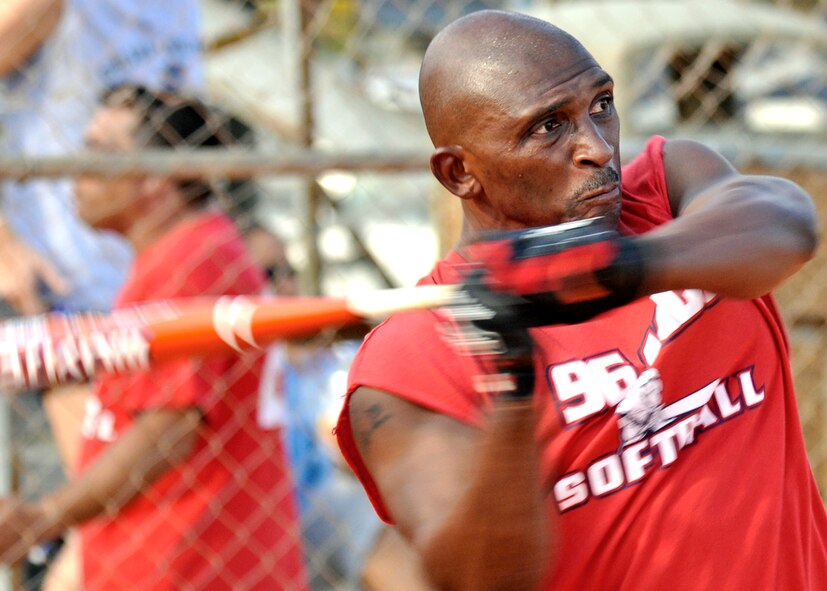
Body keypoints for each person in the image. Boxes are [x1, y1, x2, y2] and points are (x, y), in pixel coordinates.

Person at [334, 9, 827, 591]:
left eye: (601, 105)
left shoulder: (664, 191)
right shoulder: (406, 365)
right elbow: (479, 577)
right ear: (460, 173)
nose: (597, 147)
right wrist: (513, 383)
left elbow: (788, 226)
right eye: (548, 127)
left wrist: (616, 271)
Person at [0, 85, 309, 591]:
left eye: (100, 152)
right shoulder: (175, 253)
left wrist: (44, 516)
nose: (80, 170)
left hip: (194, 568)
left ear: (158, 176)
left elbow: (167, 431)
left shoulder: (196, 257)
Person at [0, 4, 203, 586]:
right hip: (65, 290)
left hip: (155, 281)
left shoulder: (182, 10)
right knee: (116, 511)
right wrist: (7, 248)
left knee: (129, 516)